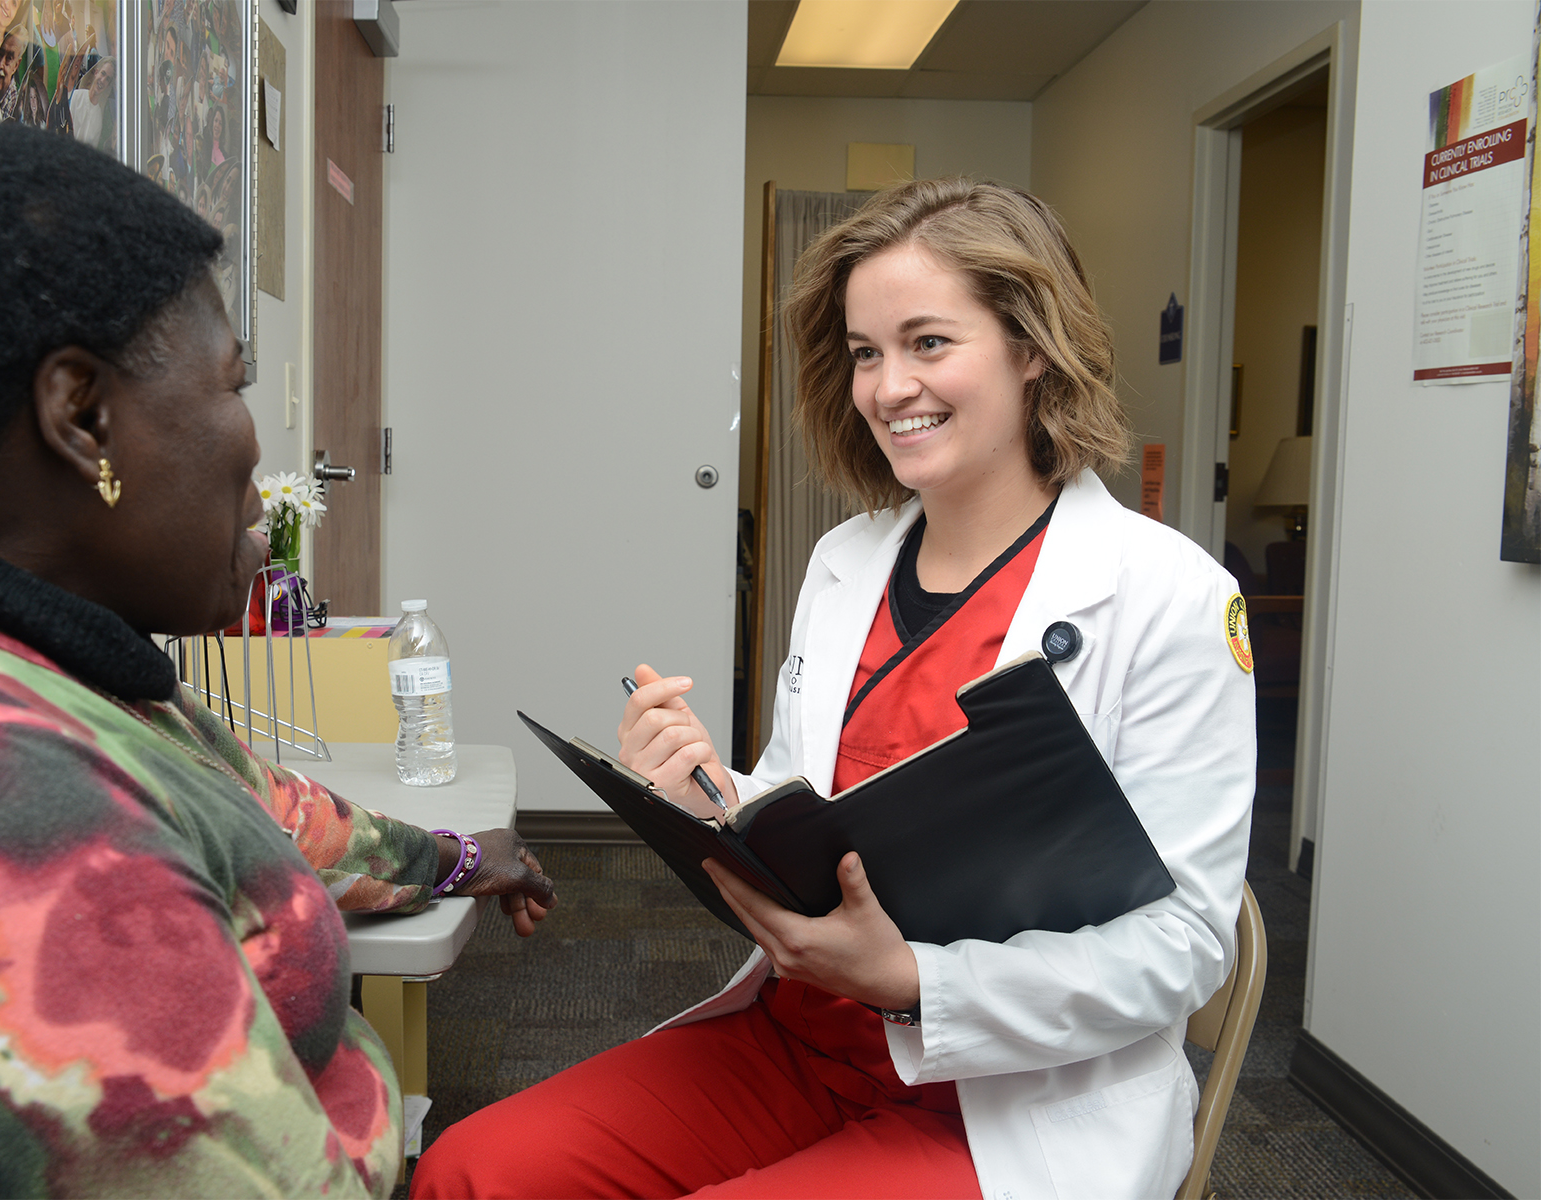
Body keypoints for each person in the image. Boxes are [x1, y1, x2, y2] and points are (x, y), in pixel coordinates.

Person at [0, 122, 558, 1199]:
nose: (256, 447)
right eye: (232, 382)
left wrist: (453, 860)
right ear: (83, 415)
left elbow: (261, 812)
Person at [412, 179, 1254, 1200]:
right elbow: (800, 802)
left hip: (1007, 1103)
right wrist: (702, 799)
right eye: (865, 352)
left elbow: (1185, 945)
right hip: (801, 1040)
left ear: (1033, 348)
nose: (889, 386)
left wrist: (913, 982)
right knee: (471, 1170)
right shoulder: (846, 561)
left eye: (929, 343)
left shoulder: (1169, 597)